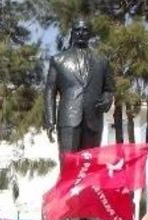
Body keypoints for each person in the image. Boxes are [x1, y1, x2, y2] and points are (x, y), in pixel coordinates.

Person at [43, 19, 114, 153]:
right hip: (68, 119)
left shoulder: (102, 61)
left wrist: (107, 98)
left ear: (90, 34)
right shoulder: (58, 60)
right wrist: (50, 119)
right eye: (77, 30)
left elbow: (108, 89)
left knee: (90, 166)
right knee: (69, 164)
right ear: (72, 33)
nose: (81, 33)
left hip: (93, 119)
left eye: (85, 30)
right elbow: (50, 91)